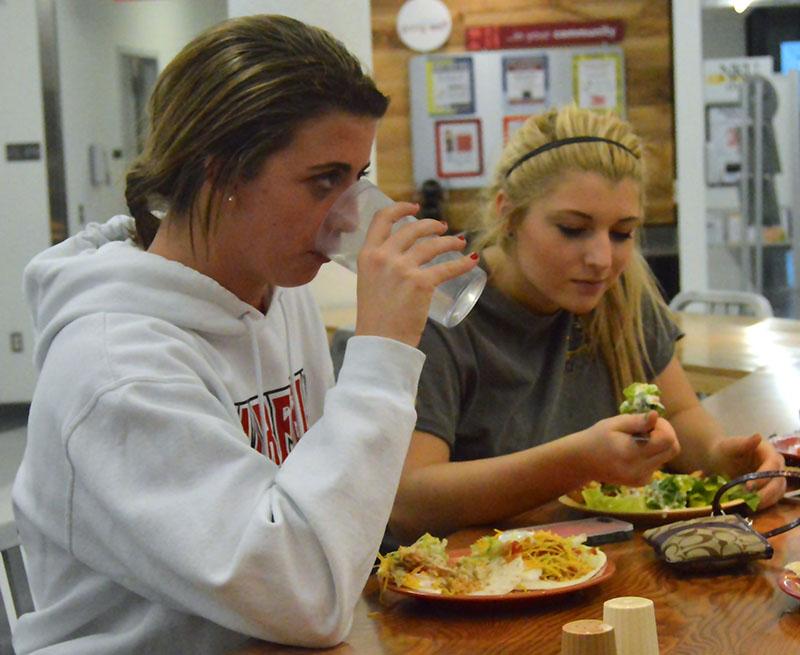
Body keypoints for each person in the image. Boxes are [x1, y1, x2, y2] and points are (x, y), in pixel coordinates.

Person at [12, 15, 478, 654]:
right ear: (220, 174)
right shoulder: (115, 367)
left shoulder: (278, 293)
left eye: (358, 179)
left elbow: (333, 534)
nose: (350, 216)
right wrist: (382, 356)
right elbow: (304, 597)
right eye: (324, 180)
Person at [388, 105, 786, 544]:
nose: (601, 259)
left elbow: (681, 413)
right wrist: (578, 461)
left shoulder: (621, 294)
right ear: (509, 214)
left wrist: (722, 456)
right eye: (573, 229)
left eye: (622, 233)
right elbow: (408, 503)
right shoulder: (439, 311)